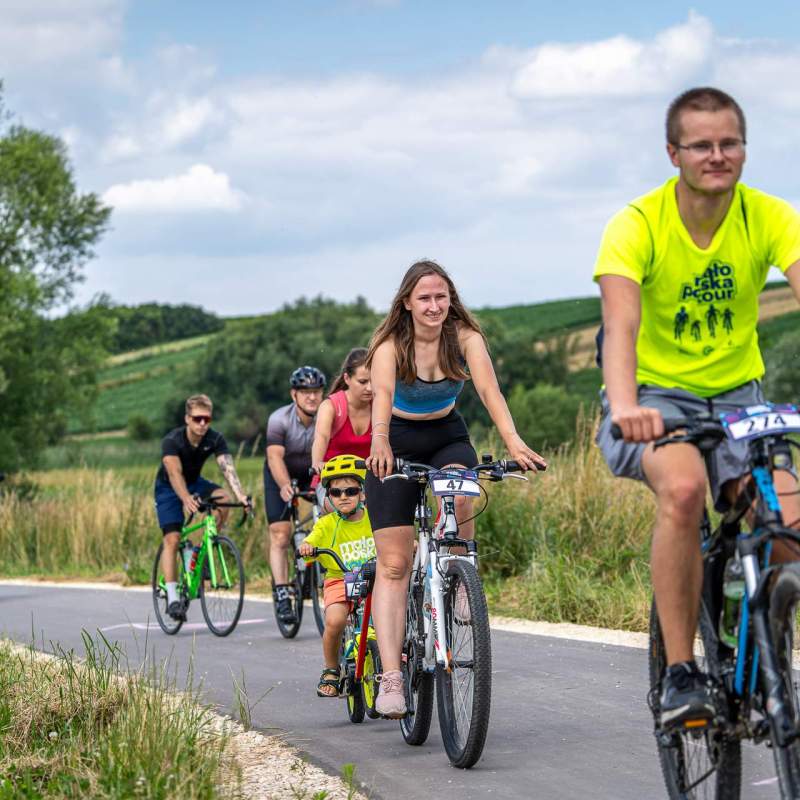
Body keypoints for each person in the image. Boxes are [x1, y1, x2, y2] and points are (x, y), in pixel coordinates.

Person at [594, 87, 800, 730]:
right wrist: (627, 405)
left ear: (744, 147)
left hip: (740, 399)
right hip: (656, 399)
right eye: (702, 145)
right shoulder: (638, 224)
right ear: (673, 153)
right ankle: (682, 672)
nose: (718, 155)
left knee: (789, 522)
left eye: (729, 143)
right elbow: (620, 327)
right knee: (683, 491)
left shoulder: (767, 216)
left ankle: (759, 647)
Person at [365, 259, 547, 717]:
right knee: (393, 563)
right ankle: (390, 678)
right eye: (424, 298)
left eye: (441, 296)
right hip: (397, 439)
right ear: (406, 302)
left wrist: (514, 442)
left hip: (447, 435)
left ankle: (460, 567)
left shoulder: (465, 337)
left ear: (451, 298)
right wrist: (380, 440)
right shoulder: (390, 344)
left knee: (464, 488)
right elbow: (382, 396)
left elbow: (490, 391)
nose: (434, 305)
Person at [154, 394, 251, 619]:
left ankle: (199, 553)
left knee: (223, 499)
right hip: (169, 487)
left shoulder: (214, 439)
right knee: (172, 538)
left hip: (195, 482)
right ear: (187, 418)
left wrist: (242, 496)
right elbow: (174, 473)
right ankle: (173, 597)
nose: (202, 424)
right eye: (197, 419)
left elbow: (227, 468)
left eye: (206, 419)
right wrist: (186, 498)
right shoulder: (173, 440)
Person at [298, 454, 376, 697]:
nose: (343, 497)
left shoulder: (375, 519)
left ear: (362, 493)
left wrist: (409, 543)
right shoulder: (326, 524)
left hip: (374, 582)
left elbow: (393, 538)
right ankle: (331, 669)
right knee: (335, 621)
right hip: (338, 579)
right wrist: (307, 547)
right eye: (336, 492)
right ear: (328, 496)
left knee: (389, 621)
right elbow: (311, 541)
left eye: (351, 491)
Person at [264, 365, 326, 623]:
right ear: (294, 395)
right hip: (280, 473)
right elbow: (274, 456)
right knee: (281, 534)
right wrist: (283, 485)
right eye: (305, 392)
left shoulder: (328, 416)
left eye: (316, 391)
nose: (311, 397)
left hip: (313, 471)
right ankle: (281, 593)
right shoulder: (279, 419)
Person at [310, 348, 372, 510]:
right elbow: (321, 437)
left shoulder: (381, 405)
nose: (370, 388)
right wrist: (317, 462)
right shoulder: (331, 406)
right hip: (333, 481)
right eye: (363, 382)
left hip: (367, 482)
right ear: (347, 378)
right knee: (344, 507)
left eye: (374, 381)